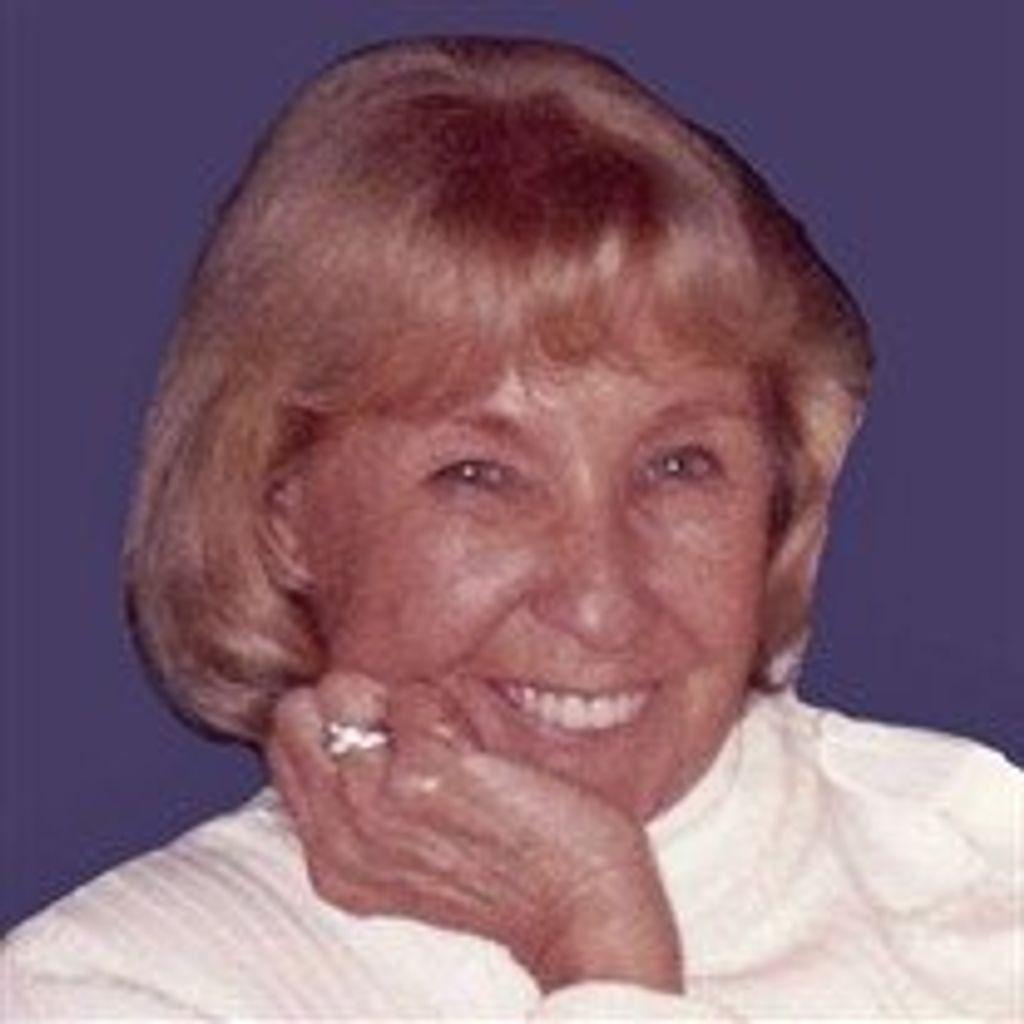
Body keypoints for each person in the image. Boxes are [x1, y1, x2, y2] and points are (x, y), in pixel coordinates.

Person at [3, 35, 1018, 1020]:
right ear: (286, 519)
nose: (600, 601)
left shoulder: (982, 864)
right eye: (478, 477)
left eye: (679, 465)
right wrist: (603, 944)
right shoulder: (114, 986)